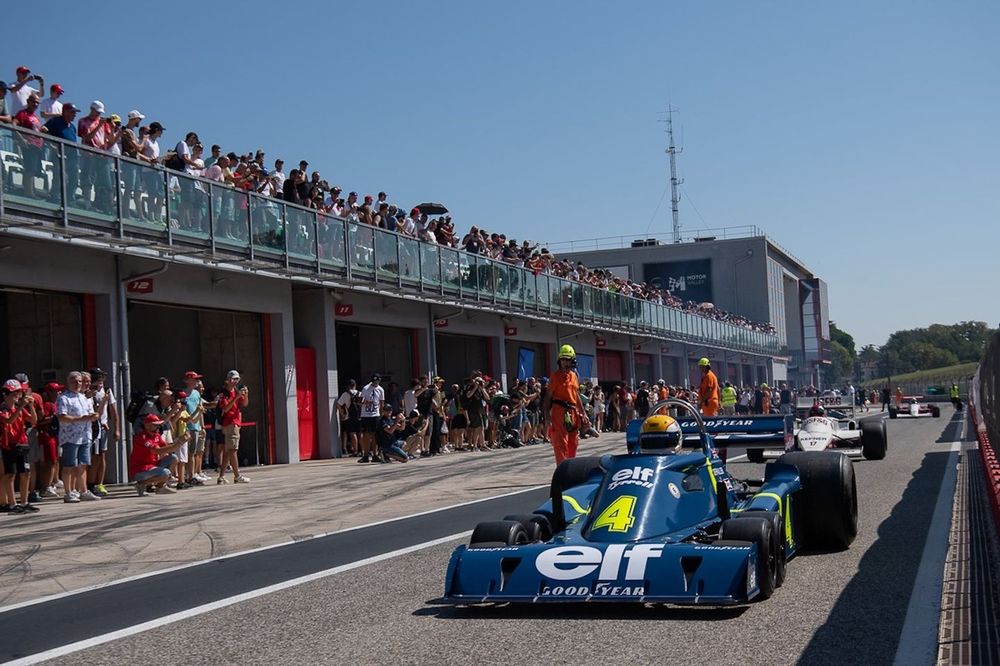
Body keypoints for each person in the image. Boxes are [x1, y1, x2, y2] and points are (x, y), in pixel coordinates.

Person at [543, 344, 585, 465]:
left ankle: (570, 467)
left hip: (573, 412)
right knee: (560, 443)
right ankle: (562, 470)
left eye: (568, 360)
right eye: (563, 360)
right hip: (559, 411)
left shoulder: (574, 376)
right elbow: (548, 397)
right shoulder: (555, 376)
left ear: (573, 361)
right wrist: (547, 415)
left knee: (573, 442)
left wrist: (583, 413)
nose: (565, 362)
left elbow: (576, 395)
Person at [129, 413, 187, 496]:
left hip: (153, 466)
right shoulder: (142, 437)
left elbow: (167, 448)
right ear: (147, 426)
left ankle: (160, 487)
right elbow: (157, 451)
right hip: (140, 470)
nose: (158, 427)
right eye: (155, 425)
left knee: (173, 458)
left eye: (158, 425)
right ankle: (141, 484)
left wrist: (180, 441)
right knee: (165, 473)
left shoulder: (157, 435)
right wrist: (179, 443)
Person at [216, 370, 250, 484]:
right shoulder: (224, 393)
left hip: (236, 422)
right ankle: (237, 475)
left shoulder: (236, 390)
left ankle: (221, 476)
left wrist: (245, 395)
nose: (235, 381)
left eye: (237, 379)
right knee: (233, 449)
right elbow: (225, 409)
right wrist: (236, 397)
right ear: (228, 380)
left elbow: (245, 404)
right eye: (233, 379)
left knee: (229, 451)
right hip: (229, 423)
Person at [358, 374, 385, 463]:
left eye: (377, 381)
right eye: (374, 381)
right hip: (366, 415)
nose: (376, 383)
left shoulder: (380, 389)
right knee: (366, 435)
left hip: (375, 414)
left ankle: (375, 455)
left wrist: (381, 414)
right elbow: (359, 401)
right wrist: (366, 402)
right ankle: (365, 455)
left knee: (374, 435)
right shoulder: (366, 388)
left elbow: (382, 403)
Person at [336, 379, 360, 456]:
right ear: (355, 385)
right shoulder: (360, 393)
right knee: (361, 433)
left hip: (350, 417)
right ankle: (363, 451)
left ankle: (355, 451)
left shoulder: (345, 394)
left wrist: (342, 413)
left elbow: (338, 404)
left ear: (348, 386)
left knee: (352, 433)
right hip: (360, 416)